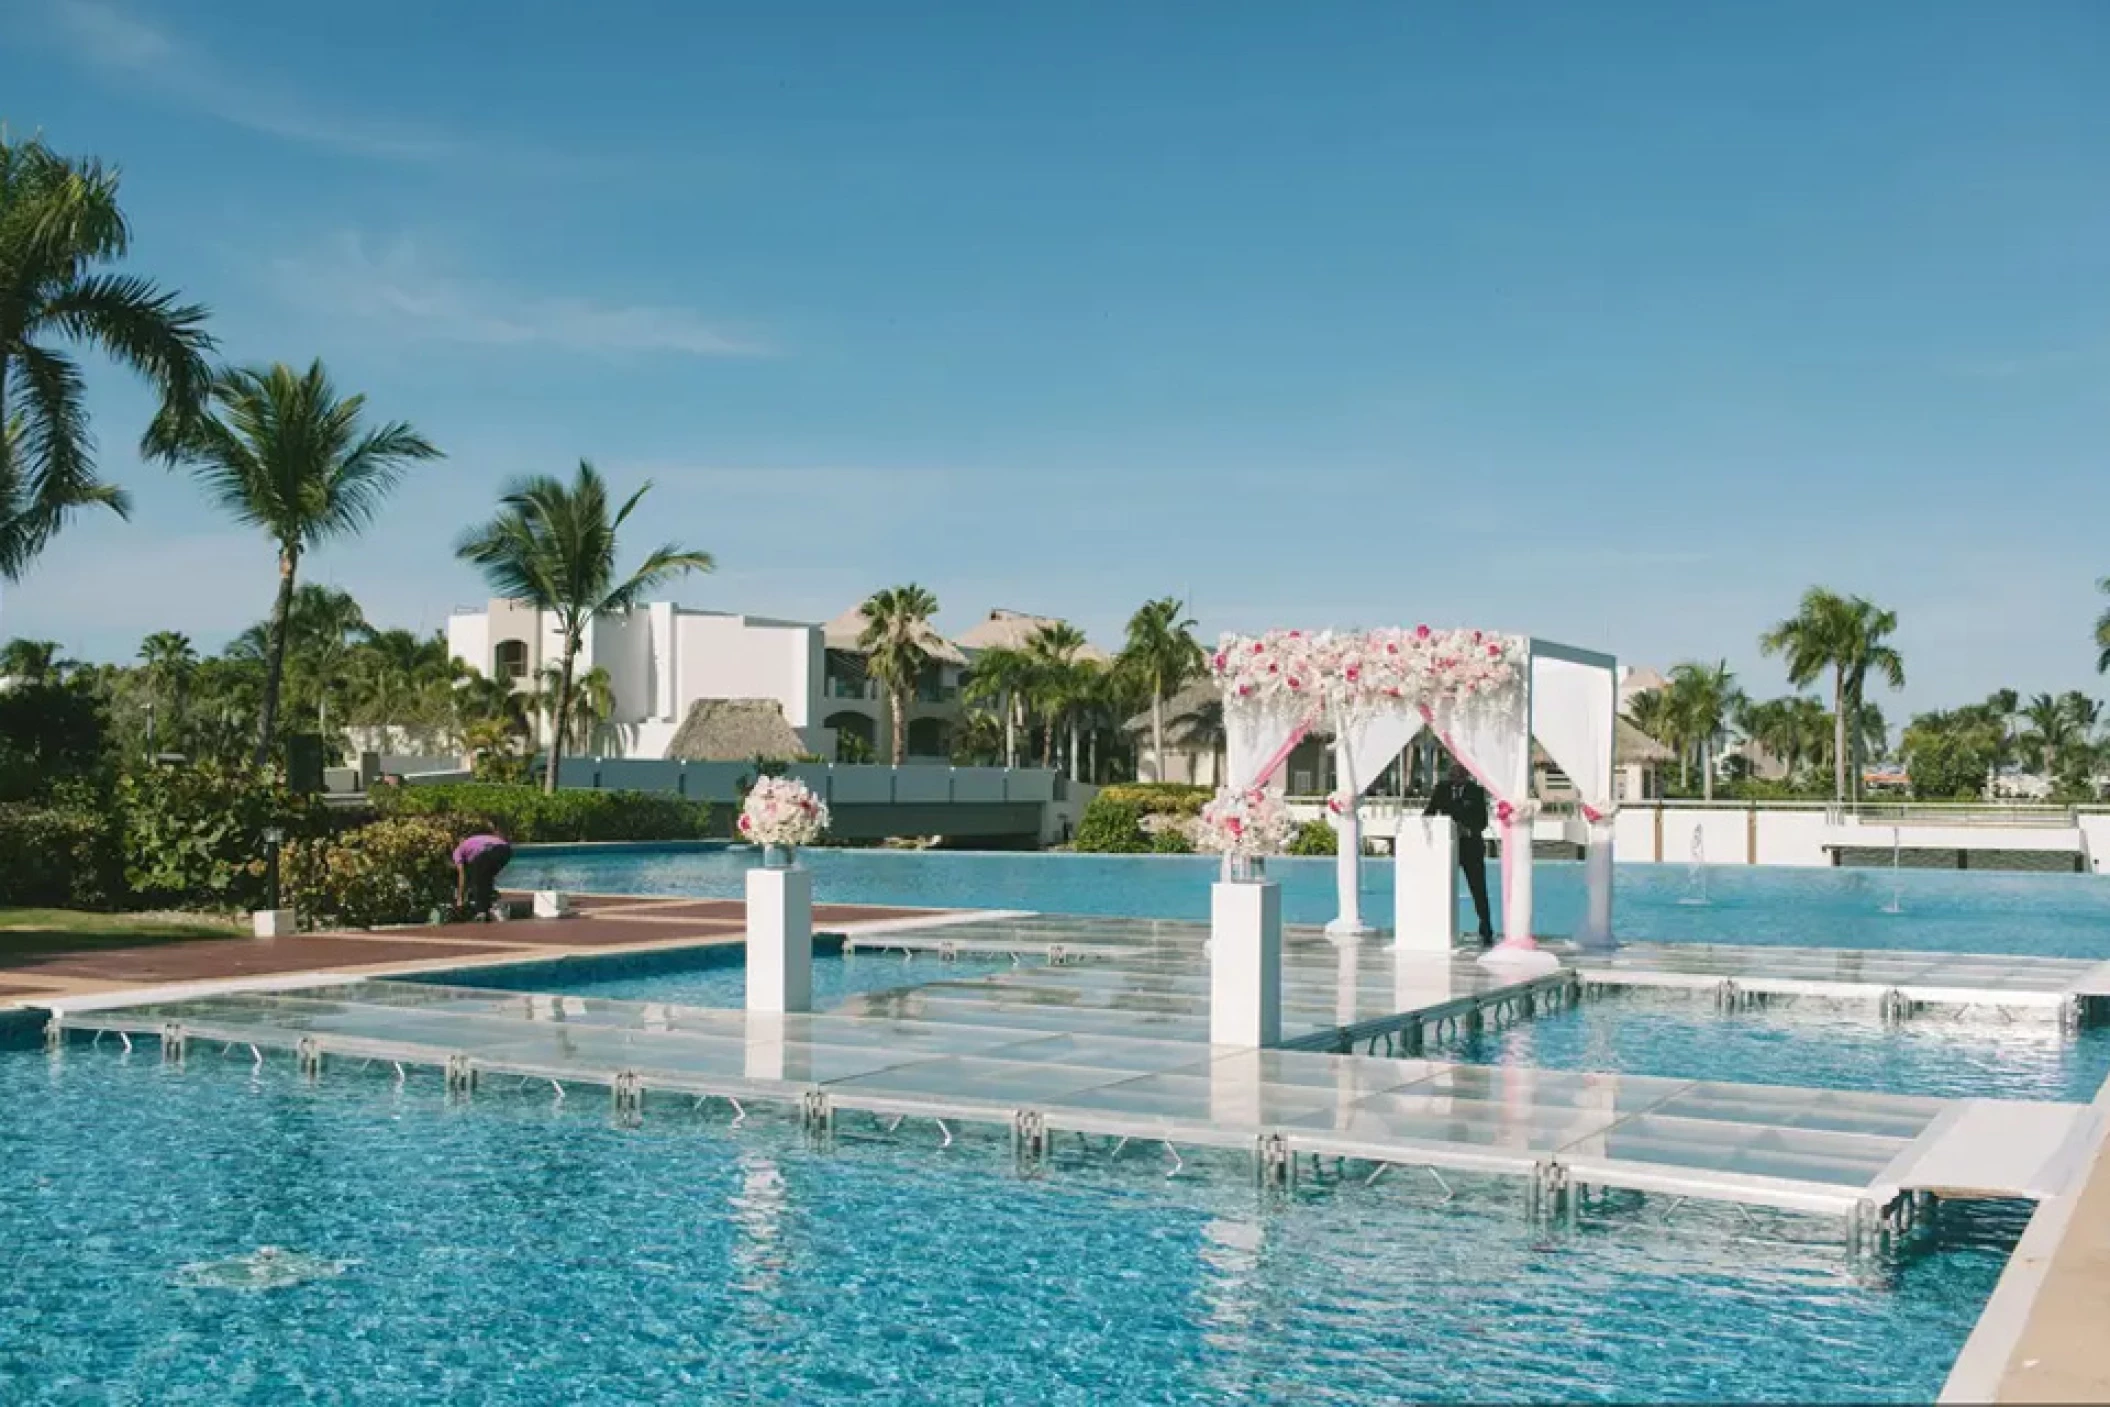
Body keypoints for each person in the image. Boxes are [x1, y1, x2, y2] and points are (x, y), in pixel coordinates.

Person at [1424, 760, 1495, 945]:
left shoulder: (1476, 792)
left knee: (1478, 889)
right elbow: (1430, 812)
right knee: (1440, 887)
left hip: (1471, 848)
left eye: (1458, 773)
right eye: (1452, 773)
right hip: (1446, 848)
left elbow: (1482, 821)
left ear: (1466, 775)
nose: (1454, 776)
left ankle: (1486, 928)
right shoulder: (1441, 789)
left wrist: (1468, 829)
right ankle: (1436, 926)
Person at [453, 829, 514, 921]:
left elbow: (462, 874)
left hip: (489, 852)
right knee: (486, 879)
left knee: (477, 882)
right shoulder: (474, 841)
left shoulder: (458, 850)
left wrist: (460, 898)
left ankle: (481, 912)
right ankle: (491, 906)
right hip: (507, 851)